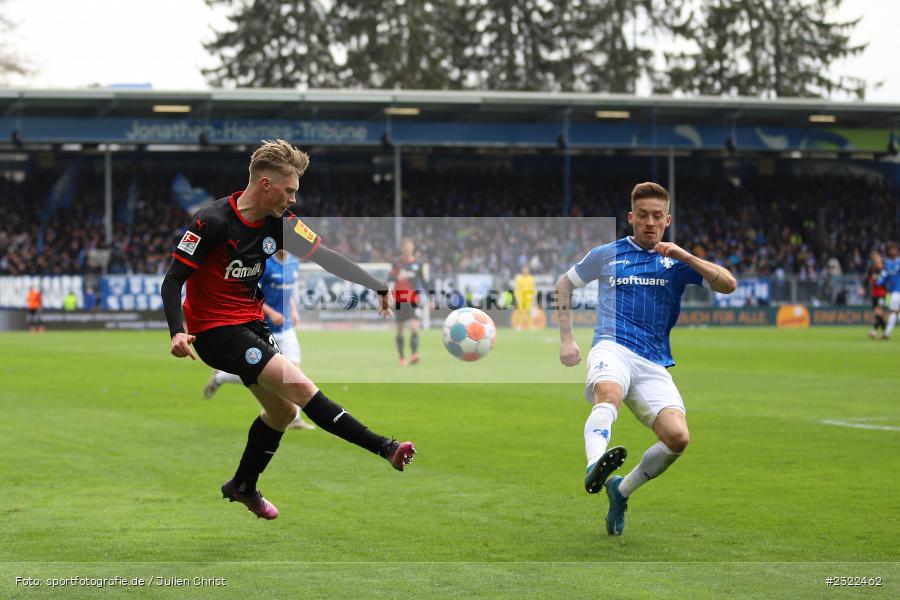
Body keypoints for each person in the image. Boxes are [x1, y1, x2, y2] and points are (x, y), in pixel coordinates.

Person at [161, 140, 416, 520]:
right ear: (266, 184)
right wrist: (176, 332)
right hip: (214, 332)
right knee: (302, 388)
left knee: (281, 413)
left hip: (252, 325)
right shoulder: (211, 221)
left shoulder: (281, 225)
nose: (294, 199)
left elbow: (326, 257)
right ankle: (386, 447)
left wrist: (377, 284)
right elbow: (173, 280)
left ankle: (242, 485)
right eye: (290, 190)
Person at [555, 181, 737, 536]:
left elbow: (728, 284)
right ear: (631, 218)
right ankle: (595, 465)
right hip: (612, 346)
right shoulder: (606, 254)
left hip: (652, 361)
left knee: (677, 438)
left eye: (657, 216)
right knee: (608, 393)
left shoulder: (676, 262)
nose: (649, 222)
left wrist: (686, 256)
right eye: (642, 215)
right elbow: (564, 285)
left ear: (667, 220)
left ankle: (621, 491)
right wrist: (566, 339)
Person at [203, 248, 315, 430]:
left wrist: (293, 310)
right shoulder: (265, 264)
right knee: (263, 375)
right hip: (262, 328)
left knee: (294, 373)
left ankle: (295, 418)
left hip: (286, 328)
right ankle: (221, 377)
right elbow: (251, 294)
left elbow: (289, 290)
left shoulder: (294, 262)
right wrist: (271, 313)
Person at [389, 237, 429, 365]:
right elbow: (390, 278)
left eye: (409, 246)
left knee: (414, 327)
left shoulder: (419, 264)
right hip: (399, 298)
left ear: (413, 248)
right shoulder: (396, 263)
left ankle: (414, 354)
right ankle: (402, 357)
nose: (407, 248)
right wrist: (397, 276)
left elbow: (424, 282)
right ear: (402, 248)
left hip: (413, 298)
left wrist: (431, 297)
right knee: (400, 330)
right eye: (405, 246)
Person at [878, 241, 900, 340]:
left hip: (897, 291)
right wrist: (879, 281)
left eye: (894, 249)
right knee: (895, 312)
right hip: (891, 292)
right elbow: (884, 276)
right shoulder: (887, 263)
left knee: (893, 312)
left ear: (897, 251)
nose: (892, 251)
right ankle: (886, 334)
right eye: (891, 250)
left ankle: (886, 334)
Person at [867, 250, 887, 338]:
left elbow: (884, 282)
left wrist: (877, 279)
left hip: (882, 294)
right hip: (874, 294)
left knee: (878, 312)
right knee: (879, 314)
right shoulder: (872, 270)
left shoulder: (884, 269)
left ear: (880, 259)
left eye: (877, 258)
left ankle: (874, 331)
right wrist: (863, 288)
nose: (875, 260)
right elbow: (867, 279)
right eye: (874, 258)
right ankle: (885, 332)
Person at [512, 264, 537, 330]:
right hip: (521, 298)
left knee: (529, 312)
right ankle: (519, 325)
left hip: (529, 298)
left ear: (528, 270)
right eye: (524, 269)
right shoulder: (519, 279)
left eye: (526, 269)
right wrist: (517, 297)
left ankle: (531, 325)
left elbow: (533, 288)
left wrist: (533, 297)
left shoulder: (531, 278)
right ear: (522, 270)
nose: (525, 270)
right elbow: (517, 289)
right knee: (521, 312)